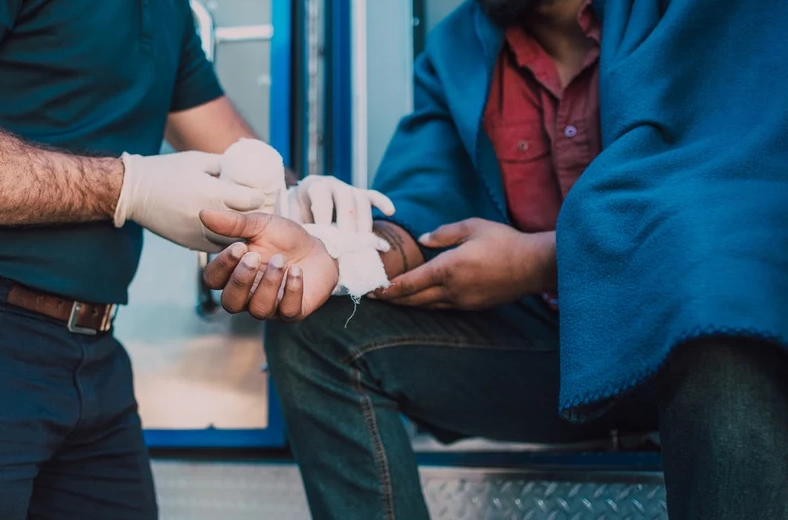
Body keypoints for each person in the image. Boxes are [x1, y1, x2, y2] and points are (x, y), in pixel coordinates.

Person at [201, 0, 788, 518]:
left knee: (724, 319)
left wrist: (537, 262)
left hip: (694, 340)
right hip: (555, 363)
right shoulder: (457, 48)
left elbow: (736, 198)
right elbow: (420, 210)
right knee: (317, 334)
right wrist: (338, 252)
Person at [0, 2, 389, 519]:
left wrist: (299, 206)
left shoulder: (167, 15)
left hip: (91, 357)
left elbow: (234, 159)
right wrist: (125, 188)